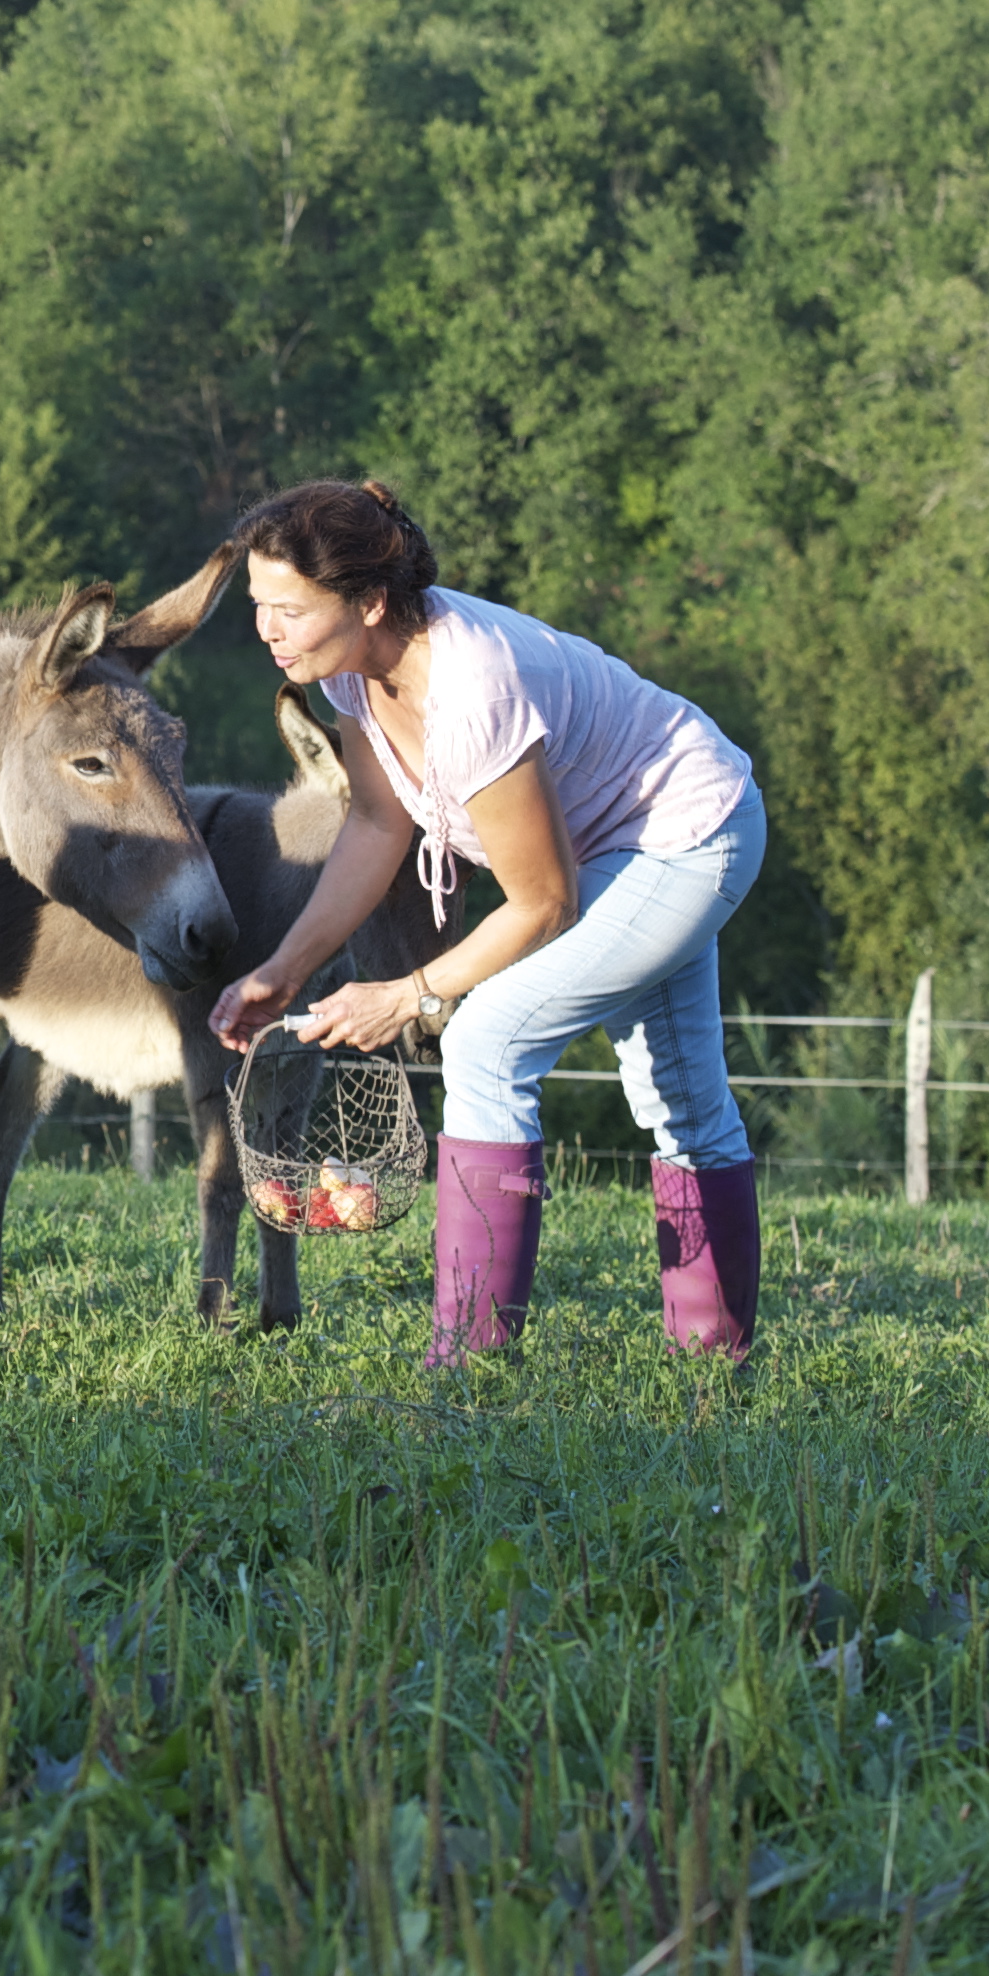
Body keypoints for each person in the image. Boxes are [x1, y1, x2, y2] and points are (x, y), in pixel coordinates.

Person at [205, 480, 769, 1360]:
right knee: (681, 1095)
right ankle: (714, 1360)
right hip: (606, 850)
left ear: (369, 601)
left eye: (289, 609)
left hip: (688, 835)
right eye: (258, 605)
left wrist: (409, 994)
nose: (266, 629)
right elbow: (377, 824)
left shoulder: (472, 691)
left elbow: (545, 903)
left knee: (487, 1042)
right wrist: (284, 969)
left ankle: (469, 1363)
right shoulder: (351, 671)